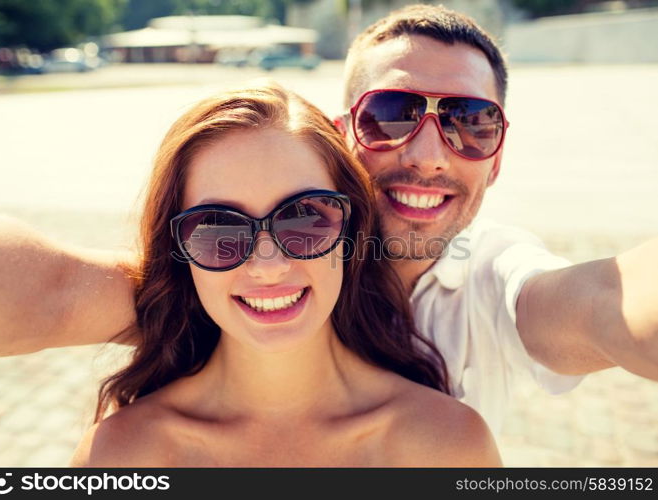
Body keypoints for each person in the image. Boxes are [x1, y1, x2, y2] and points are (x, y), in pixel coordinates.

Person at [0, 4, 656, 436]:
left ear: (497, 157)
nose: (426, 155)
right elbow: (49, 294)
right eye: (391, 115)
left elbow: (604, 304)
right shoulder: (227, 269)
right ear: (343, 138)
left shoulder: (486, 283)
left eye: (469, 123)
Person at [67, 82, 500, 467]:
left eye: (304, 219)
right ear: (179, 250)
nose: (268, 265)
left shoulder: (448, 446)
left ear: (352, 230)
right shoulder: (119, 455)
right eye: (219, 228)